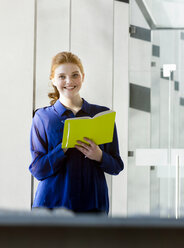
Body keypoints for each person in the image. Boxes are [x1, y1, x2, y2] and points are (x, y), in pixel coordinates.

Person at [29, 51, 124, 215]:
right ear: (52, 79)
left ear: (83, 77)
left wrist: (99, 155)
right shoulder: (43, 117)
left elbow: (116, 166)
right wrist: (63, 148)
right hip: (51, 204)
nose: (69, 81)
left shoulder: (101, 115)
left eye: (75, 75)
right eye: (62, 76)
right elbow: (38, 170)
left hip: (92, 205)